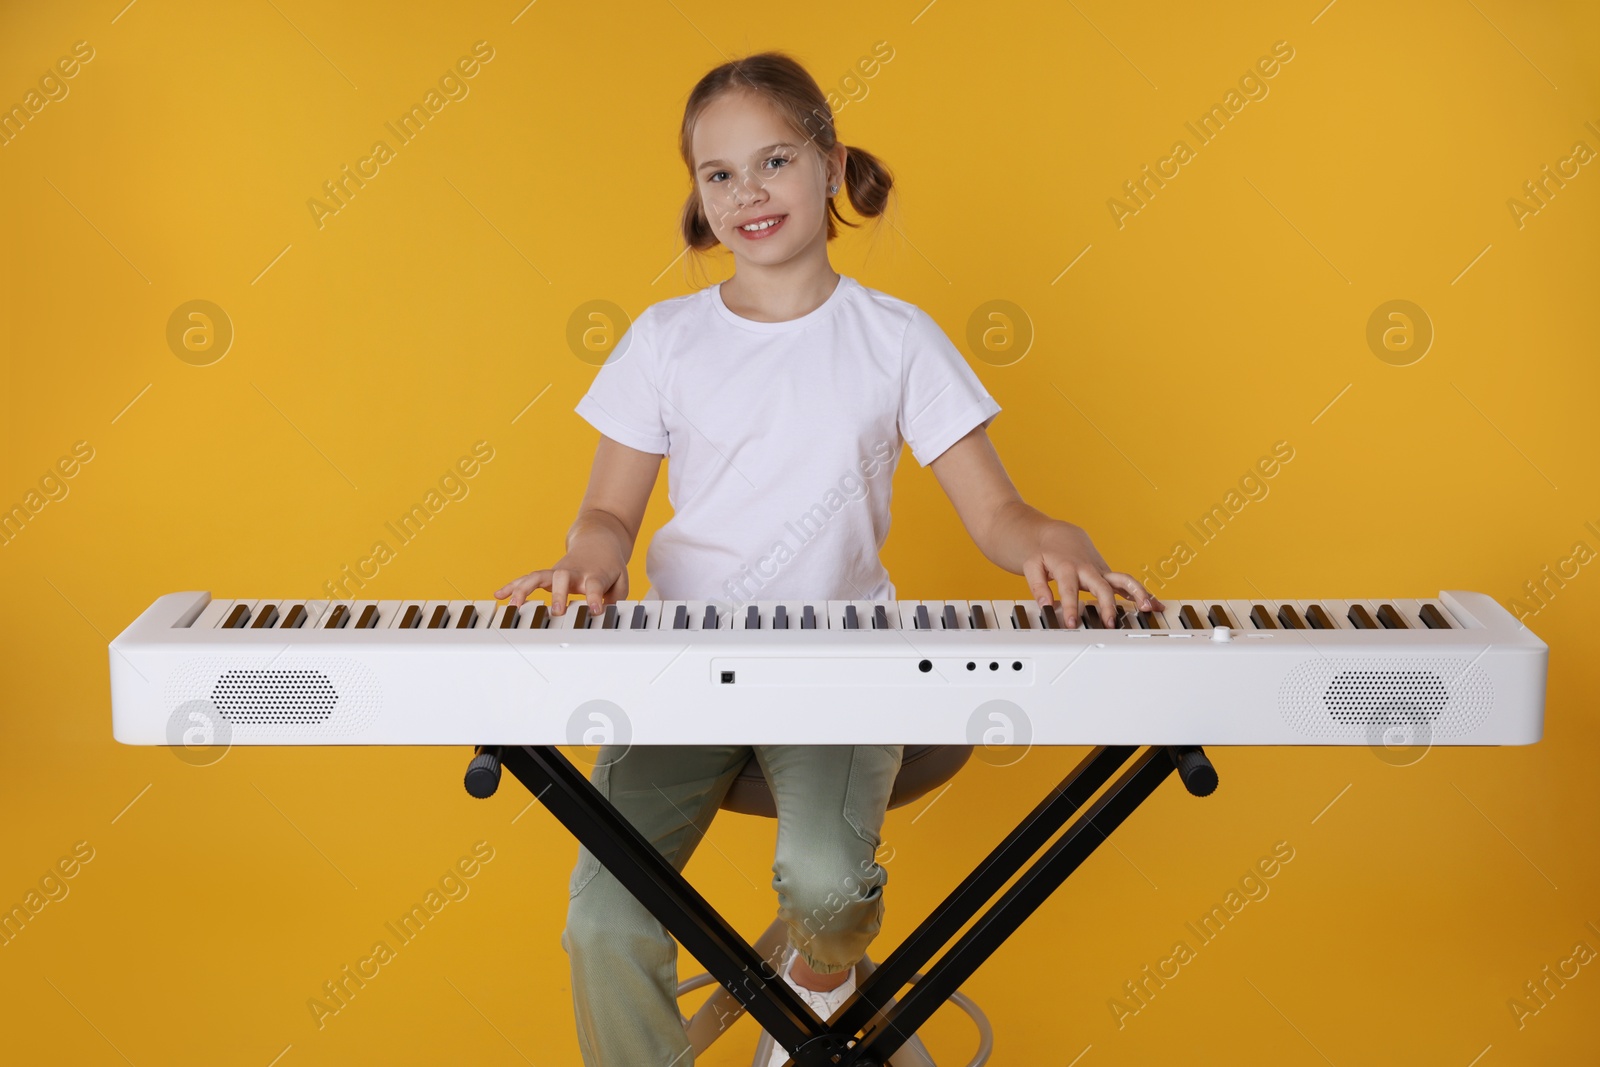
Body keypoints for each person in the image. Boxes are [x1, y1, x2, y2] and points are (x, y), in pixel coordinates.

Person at [493, 50, 1165, 1067]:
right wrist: (585, 565)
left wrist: (1058, 546)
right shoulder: (664, 340)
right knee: (603, 920)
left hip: (844, 666)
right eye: (718, 174)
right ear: (698, 196)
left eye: (773, 161)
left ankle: (816, 988)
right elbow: (605, 515)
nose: (747, 193)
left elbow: (999, 513)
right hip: (680, 667)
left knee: (825, 885)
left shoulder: (896, 338)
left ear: (828, 163)